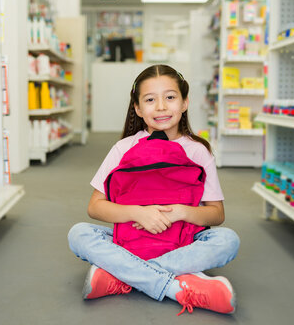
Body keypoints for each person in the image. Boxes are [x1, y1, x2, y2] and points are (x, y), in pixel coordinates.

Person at [68, 64, 240, 316]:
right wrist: (139, 214)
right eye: (150, 100)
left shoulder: (197, 150)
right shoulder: (124, 148)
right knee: (78, 233)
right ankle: (174, 286)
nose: (161, 106)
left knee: (228, 240)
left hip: (182, 240)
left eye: (170, 97)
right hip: (132, 239)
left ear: (184, 103)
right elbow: (95, 207)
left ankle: (124, 276)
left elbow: (216, 214)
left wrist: (181, 212)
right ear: (138, 108)